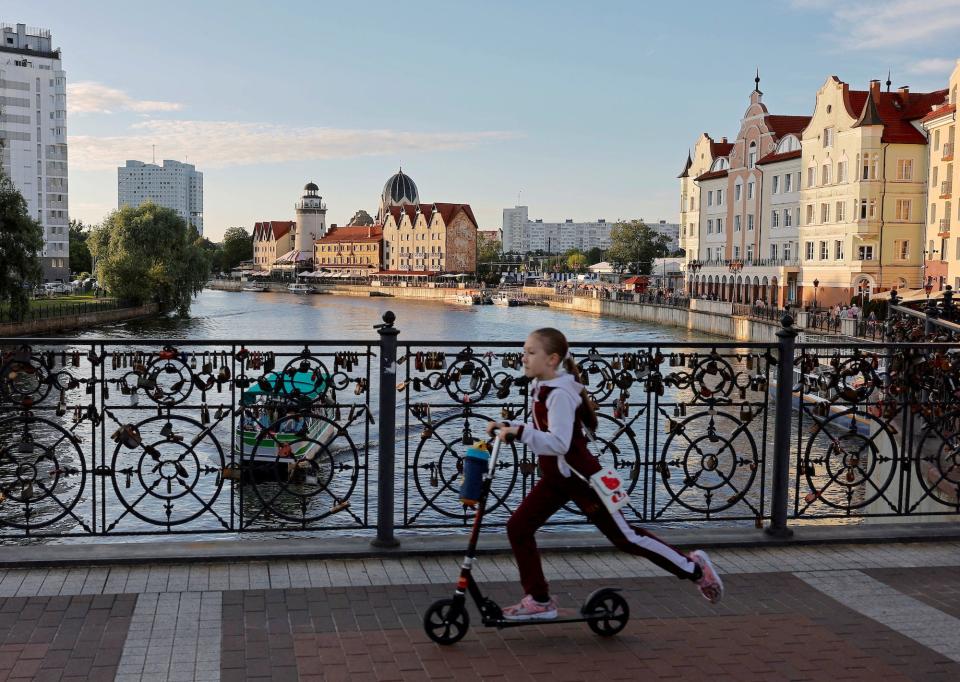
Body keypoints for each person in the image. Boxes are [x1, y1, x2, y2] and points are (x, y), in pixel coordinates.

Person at [487, 327, 723, 621]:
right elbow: (548, 431)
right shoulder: (544, 387)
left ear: (552, 359)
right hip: (559, 479)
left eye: (531, 353)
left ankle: (695, 569)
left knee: (626, 538)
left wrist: (520, 432)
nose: (524, 358)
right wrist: (509, 426)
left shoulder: (559, 394)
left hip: (585, 481)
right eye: (524, 352)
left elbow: (559, 443)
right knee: (518, 528)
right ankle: (538, 599)